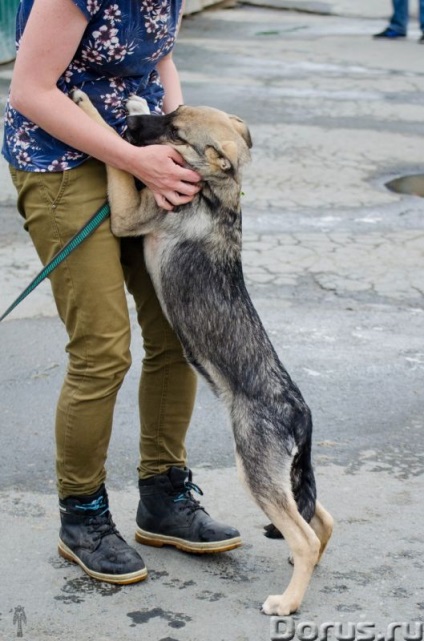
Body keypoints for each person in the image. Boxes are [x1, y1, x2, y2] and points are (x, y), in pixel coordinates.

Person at [2, 0, 242, 585]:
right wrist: (136, 158)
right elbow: (31, 91)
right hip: (61, 162)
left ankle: (164, 497)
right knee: (102, 350)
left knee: (177, 334)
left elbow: (159, 63)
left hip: (142, 153)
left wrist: (175, 141)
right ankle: (82, 516)